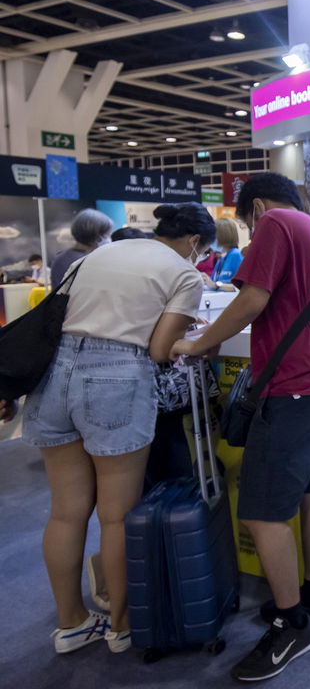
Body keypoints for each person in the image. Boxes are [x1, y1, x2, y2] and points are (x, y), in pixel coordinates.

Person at [170, 173, 310, 682]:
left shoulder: (275, 222)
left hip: (292, 387)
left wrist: (196, 343)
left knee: (263, 513)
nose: (251, 232)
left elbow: (252, 300)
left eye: (247, 221)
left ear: (258, 206)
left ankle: (292, 626)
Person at [20, 202, 214, 655]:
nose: (201, 259)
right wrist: (201, 339)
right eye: (202, 252)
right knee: (116, 514)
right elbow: (162, 349)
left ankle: (71, 623)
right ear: (193, 243)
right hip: (116, 377)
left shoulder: (99, 254)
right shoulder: (184, 274)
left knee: (66, 512)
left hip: (53, 374)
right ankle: (121, 626)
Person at [50, 209, 113, 288]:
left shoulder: (60, 258)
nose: (109, 238)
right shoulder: (89, 261)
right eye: (107, 234)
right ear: (97, 236)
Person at [204, 218, 244, 288]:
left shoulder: (236, 255)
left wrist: (216, 285)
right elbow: (214, 283)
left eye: (213, 236)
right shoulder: (222, 259)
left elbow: (241, 287)